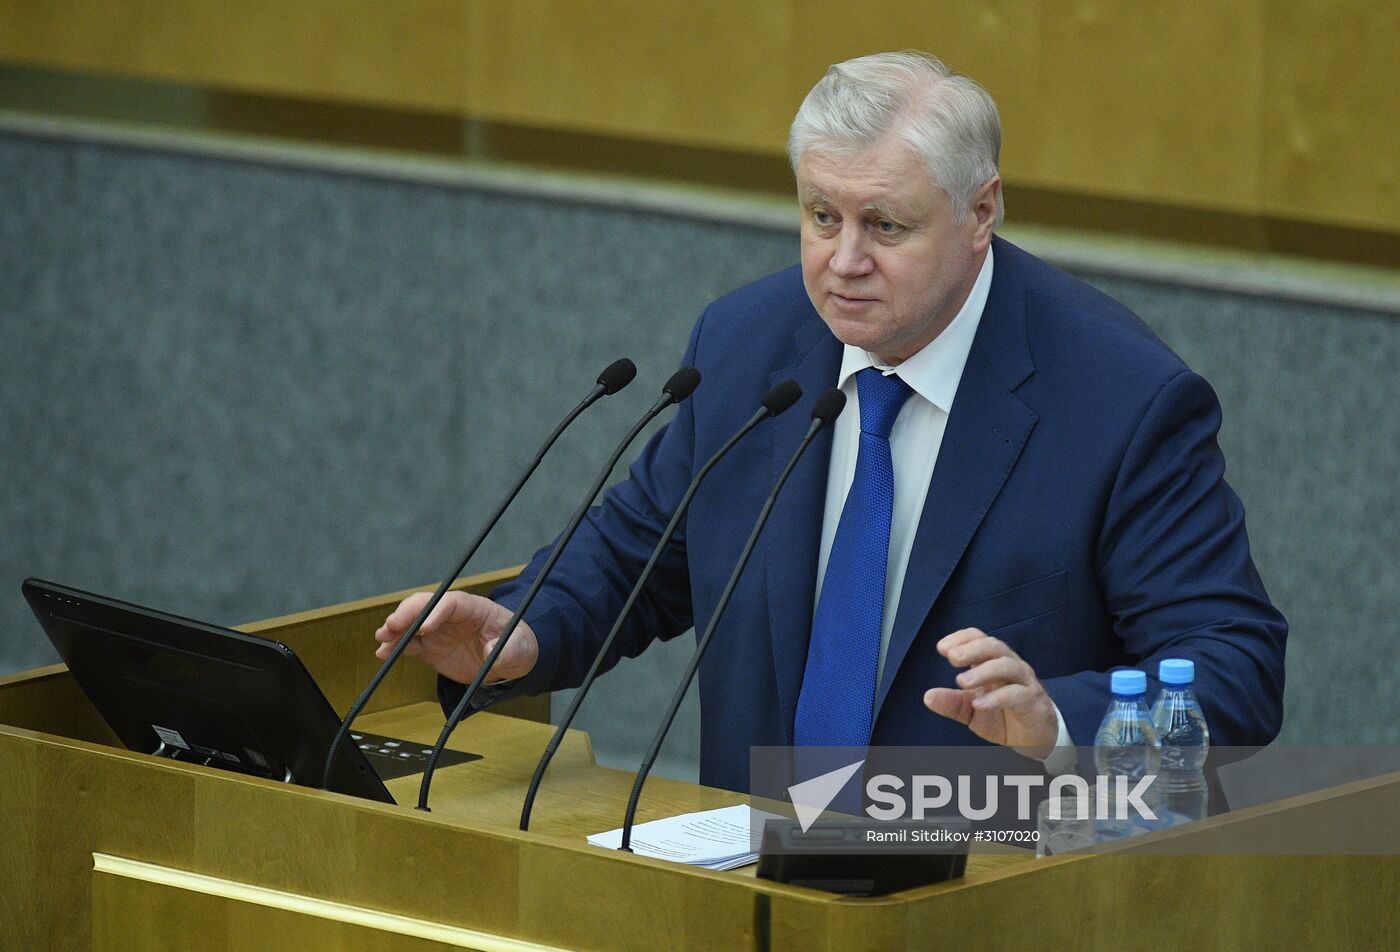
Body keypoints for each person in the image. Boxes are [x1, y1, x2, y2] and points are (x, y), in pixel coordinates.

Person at [375, 51, 1286, 794]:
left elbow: (1235, 666)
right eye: (821, 216)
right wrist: (524, 633)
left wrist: (1058, 720)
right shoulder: (748, 345)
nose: (843, 262)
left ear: (980, 213)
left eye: (885, 225)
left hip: (993, 882)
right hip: (754, 880)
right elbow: (639, 554)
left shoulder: (1121, 399)